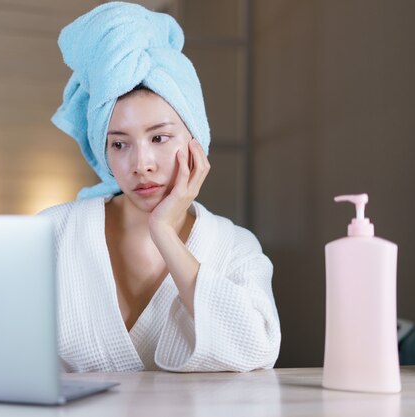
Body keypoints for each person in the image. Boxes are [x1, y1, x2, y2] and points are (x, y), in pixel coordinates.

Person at [39, 2, 280, 372]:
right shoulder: (53, 232)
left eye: (160, 137)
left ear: (195, 139)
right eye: (119, 144)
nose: (141, 164)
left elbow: (258, 350)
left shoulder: (234, 247)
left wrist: (164, 233)